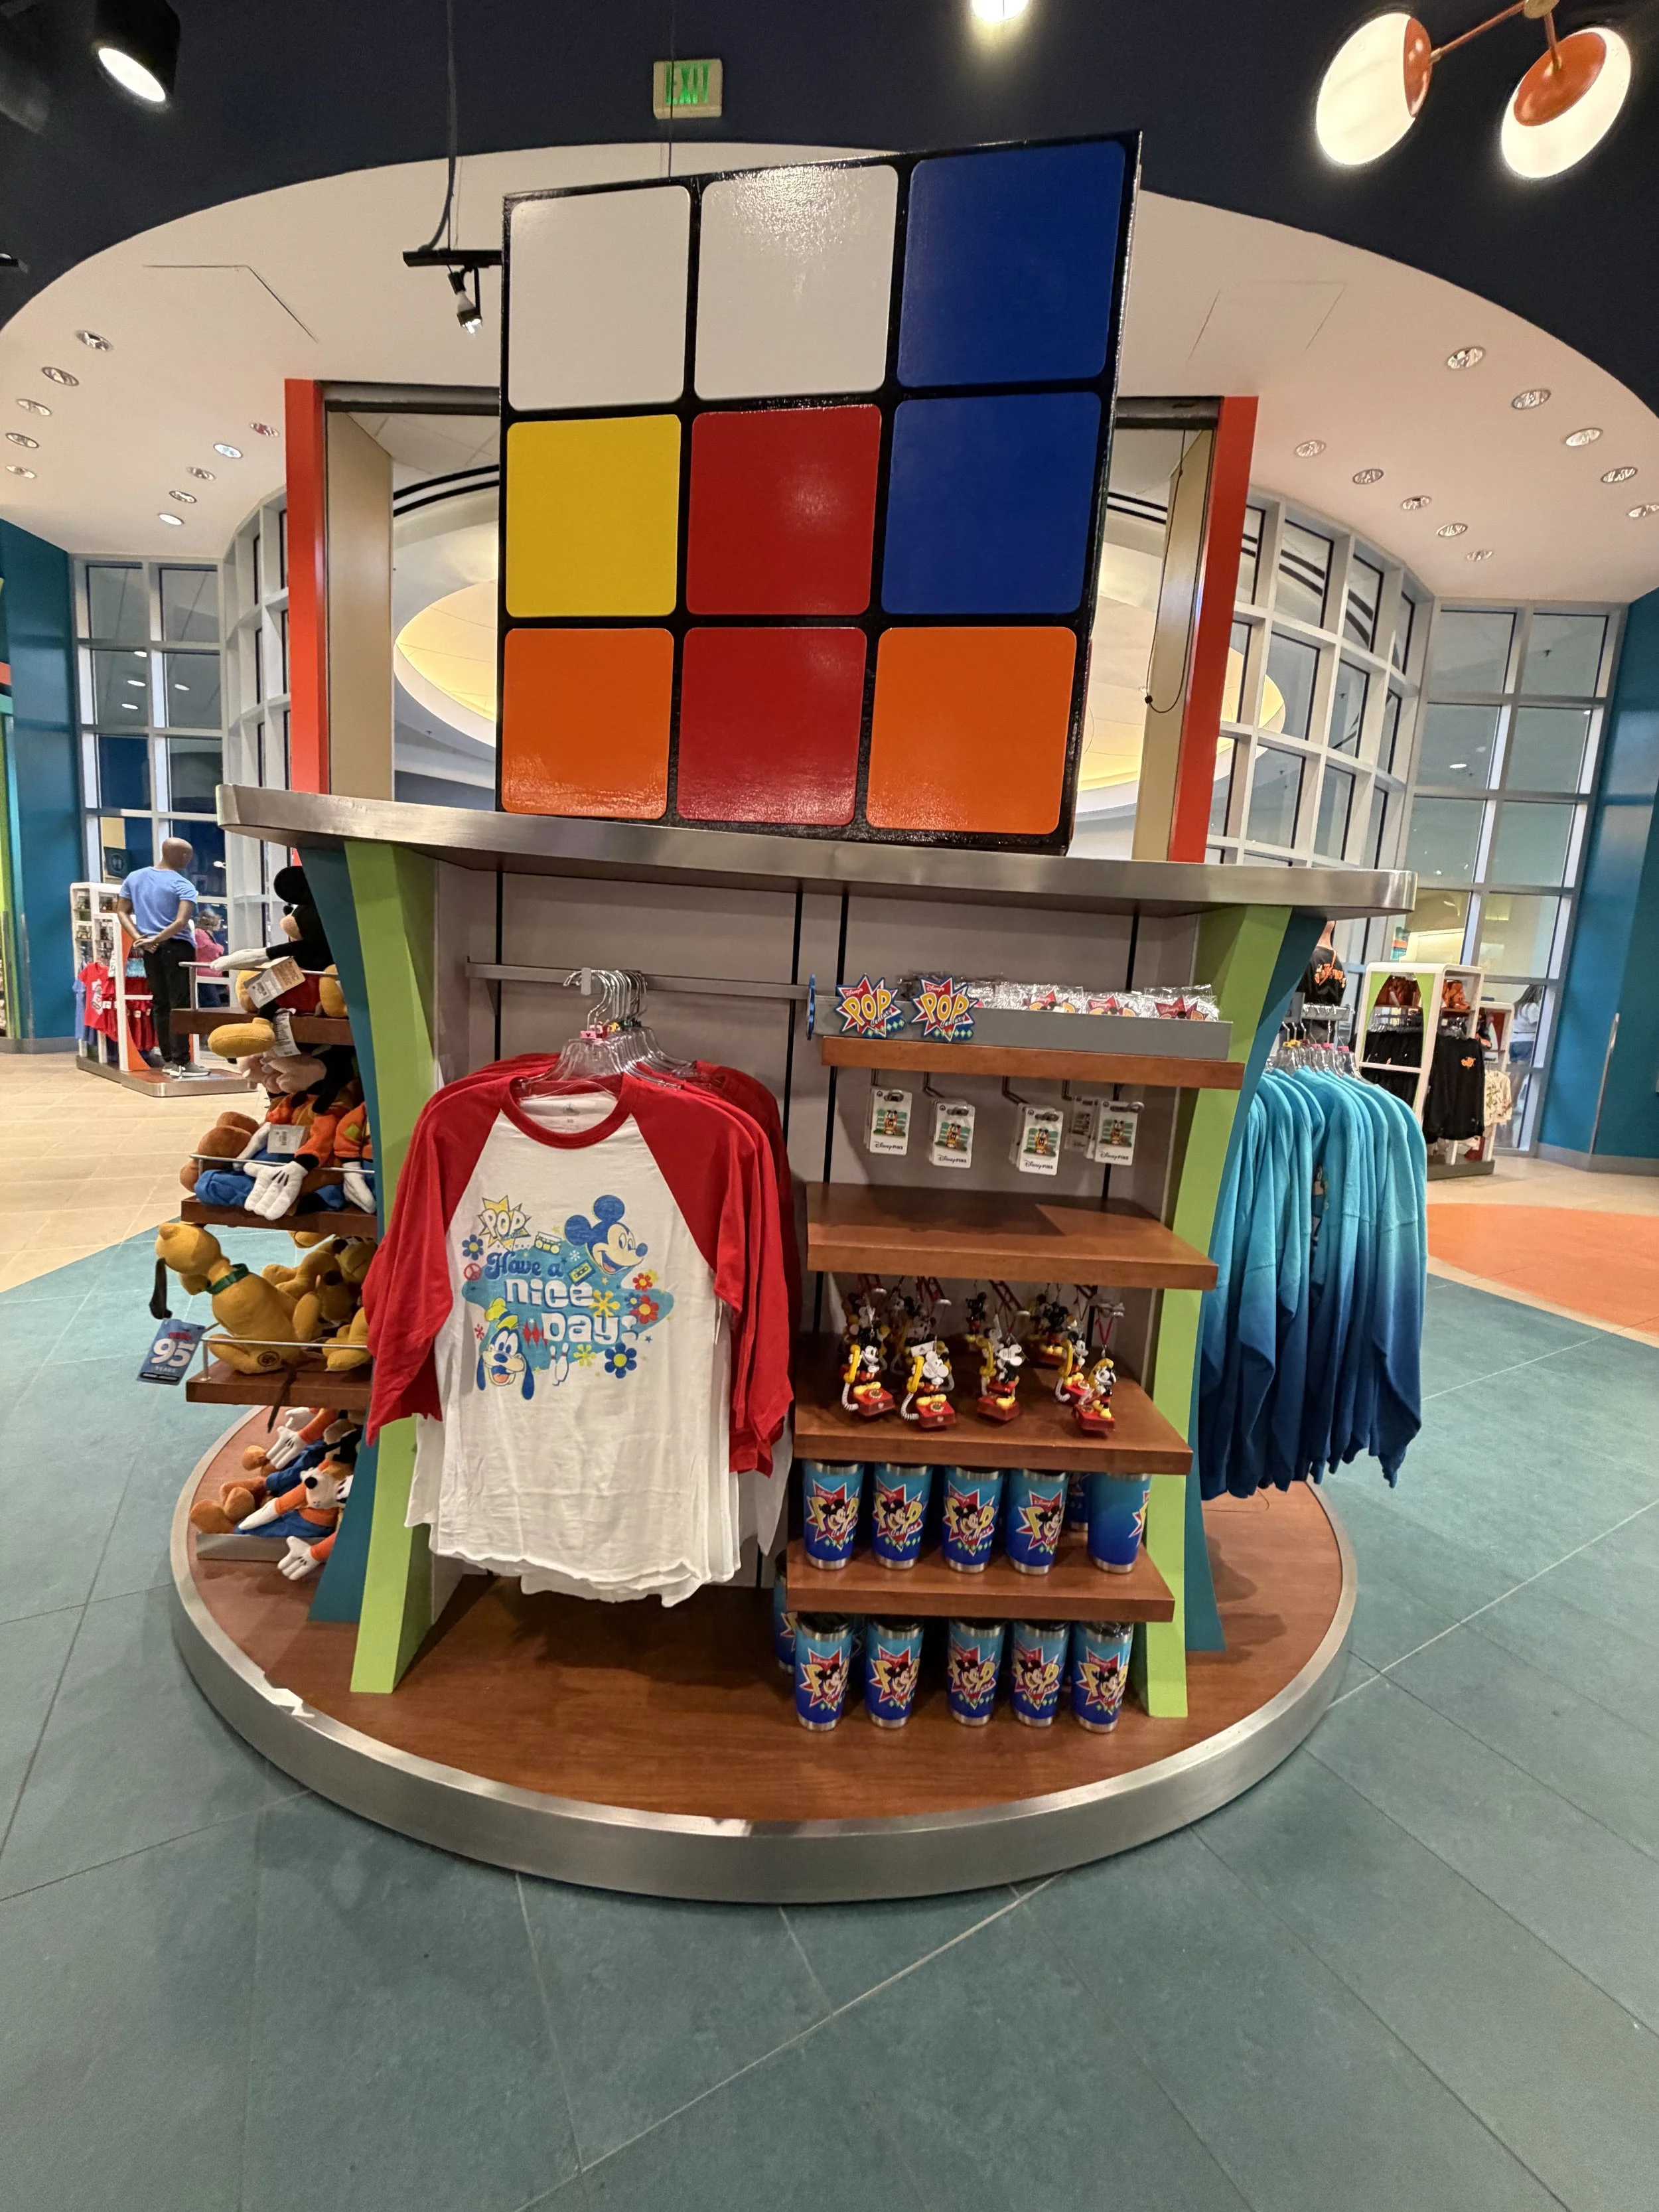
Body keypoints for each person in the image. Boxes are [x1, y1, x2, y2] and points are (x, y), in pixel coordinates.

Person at [116, 838, 198, 1072]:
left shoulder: (135, 877)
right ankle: (182, 1060)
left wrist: (141, 939)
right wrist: (155, 938)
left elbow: (122, 912)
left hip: (151, 949)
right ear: (181, 856)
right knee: (179, 1004)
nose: (188, 860)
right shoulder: (183, 885)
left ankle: (170, 1059)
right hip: (177, 948)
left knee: (161, 1002)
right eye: (187, 856)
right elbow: (181, 922)